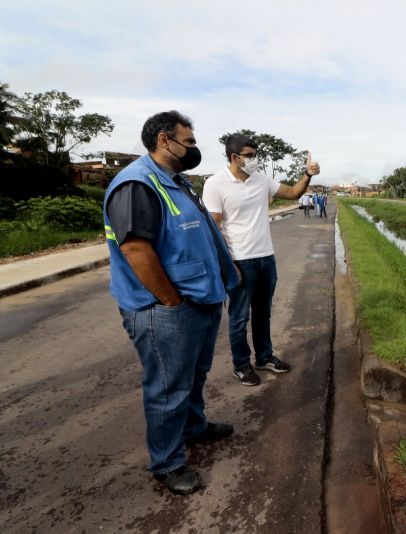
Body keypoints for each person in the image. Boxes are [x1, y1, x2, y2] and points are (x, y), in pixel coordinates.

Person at [103, 111, 240, 495]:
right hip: (166, 309)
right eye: (190, 141)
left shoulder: (176, 181)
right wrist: (171, 301)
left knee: (193, 376)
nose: (194, 148)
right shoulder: (137, 184)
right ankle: (167, 462)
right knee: (167, 388)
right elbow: (134, 248)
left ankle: (194, 427)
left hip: (199, 300)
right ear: (165, 140)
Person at [202, 133, 321, 386]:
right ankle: (241, 365)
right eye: (249, 156)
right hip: (240, 261)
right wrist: (228, 264)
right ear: (234, 157)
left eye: (255, 155)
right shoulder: (215, 184)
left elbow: (293, 193)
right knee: (239, 317)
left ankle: (264, 357)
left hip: (266, 258)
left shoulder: (261, 180)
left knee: (263, 313)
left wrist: (308, 174)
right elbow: (213, 228)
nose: (254, 160)